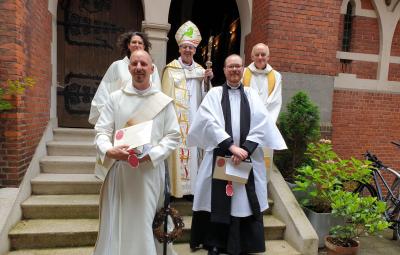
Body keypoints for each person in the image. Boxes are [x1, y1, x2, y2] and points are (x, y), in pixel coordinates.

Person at [188, 54, 287, 255]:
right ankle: (215, 243)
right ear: (224, 70)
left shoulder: (251, 95)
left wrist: (245, 150)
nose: (234, 70)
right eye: (230, 66)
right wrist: (231, 147)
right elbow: (209, 122)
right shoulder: (214, 94)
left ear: (243, 70)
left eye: (238, 67)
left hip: (246, 158)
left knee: (241, 202)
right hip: (220, 157)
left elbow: (262, 123)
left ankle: (242, 244)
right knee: (214, 200)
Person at [93, 50, 180, 255]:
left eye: (143, 64)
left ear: (151, 69)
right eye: (134, 64)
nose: (139, 67)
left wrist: (153, 154)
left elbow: (173, 136)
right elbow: (102, 132)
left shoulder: (163, 101)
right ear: (129, 68)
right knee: (121, 220)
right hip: (122, 171)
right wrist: (109, 150)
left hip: (150, 172)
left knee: (144, 220)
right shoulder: (115, 99)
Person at [161, 20, 213, 197]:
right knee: (177, 153)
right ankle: (176, 192)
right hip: (177, 120)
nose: (187, 50)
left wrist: (207, 80)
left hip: (195, 119)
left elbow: (207, 97)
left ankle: (193, 192)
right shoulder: (170, 69)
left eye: (191, 48)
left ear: (195, 50)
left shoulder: (201, 70)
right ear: (179, 49)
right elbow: (165, 97)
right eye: (184, 47)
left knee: (194, 153)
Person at [88, 31, 161, 125]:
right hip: (120, 117)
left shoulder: (151, 67)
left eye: (140, 43)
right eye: (134, 42)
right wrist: (108, 115)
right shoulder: (117, 66)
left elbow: (157, 92)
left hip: (143, 118)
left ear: (144, 46)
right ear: (128, 45)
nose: (137, 45)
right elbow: (105, 91)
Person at [242, 43, 283, 171]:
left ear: (268, 57)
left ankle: (261, 188)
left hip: (265, 125)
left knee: (261, 166)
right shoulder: (243, 73)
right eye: (257, 54)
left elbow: (275, 102)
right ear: (251, 56)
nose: (260, 57)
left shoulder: (276, 76)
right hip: (245, 123)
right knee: (244, 158)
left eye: (263, 54)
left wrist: (264, 123)